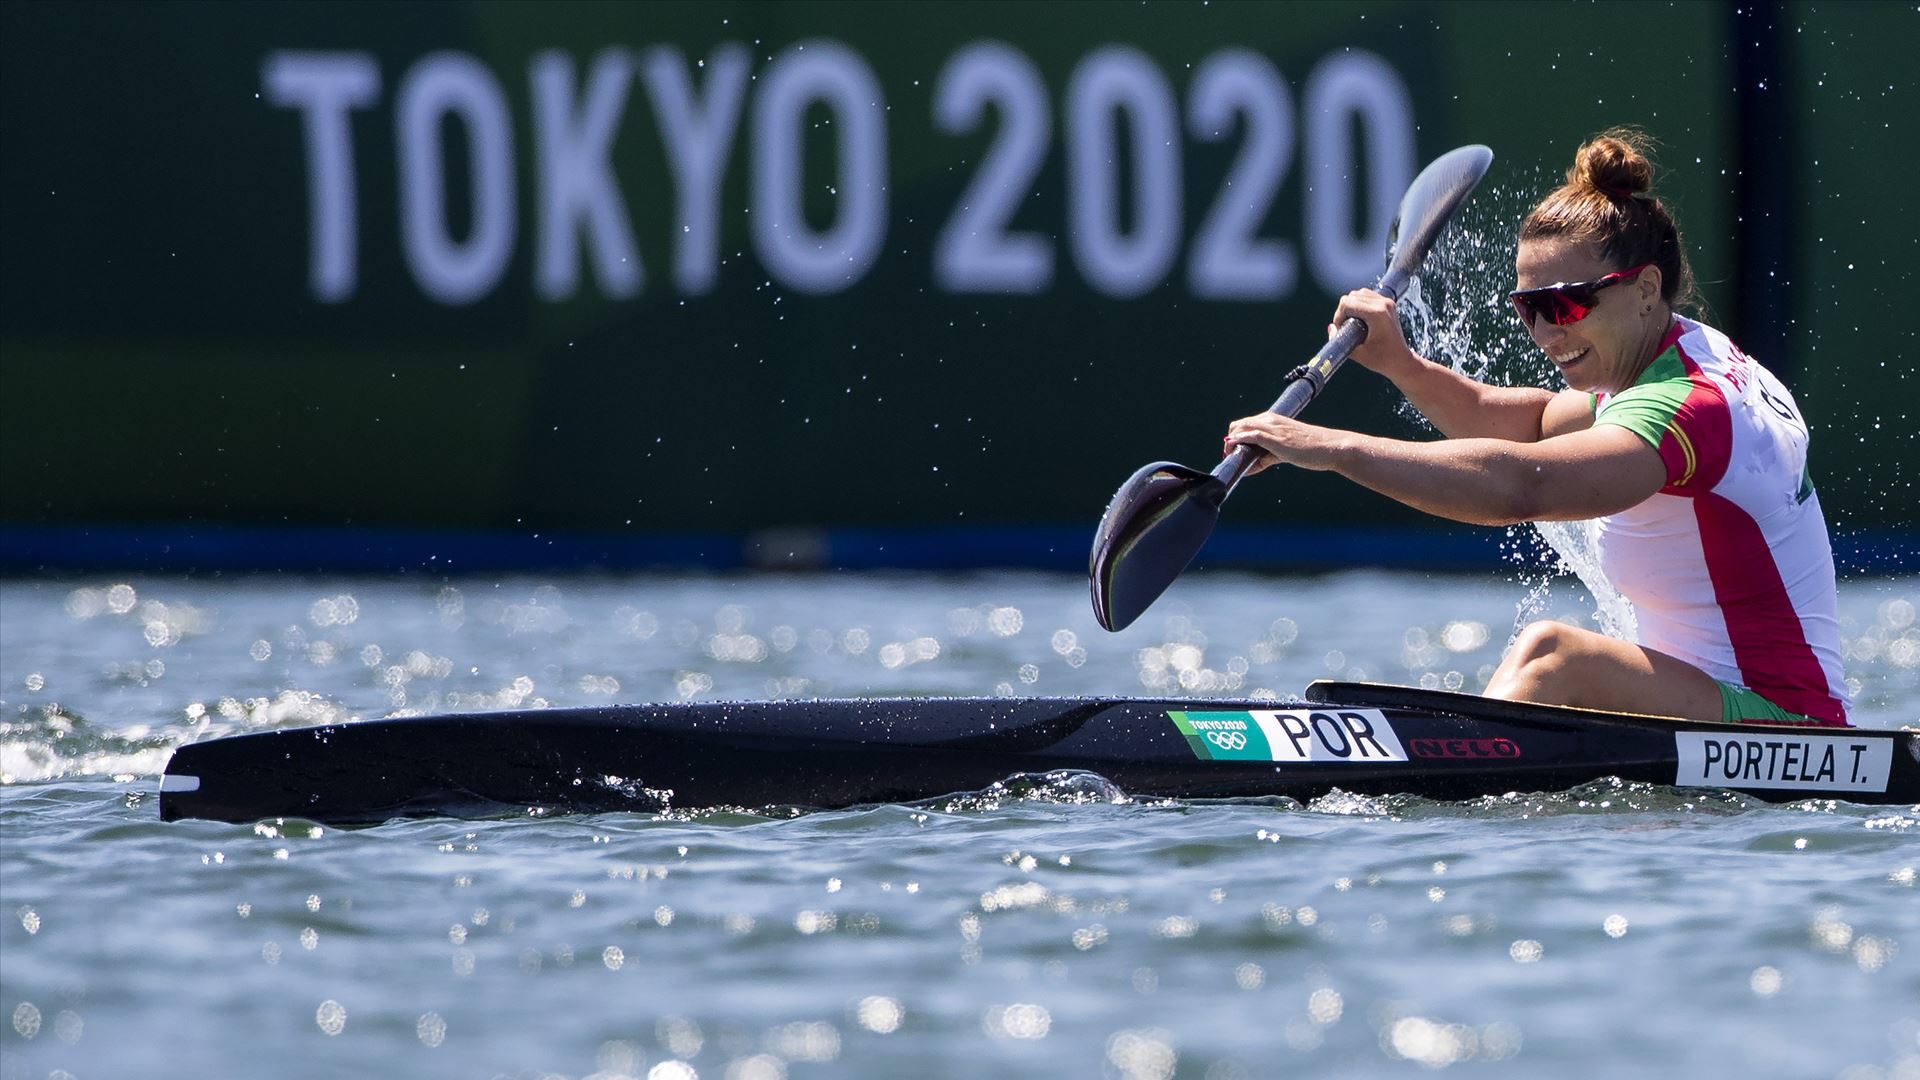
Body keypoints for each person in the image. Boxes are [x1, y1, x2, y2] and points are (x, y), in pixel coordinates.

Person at [1224, 129, 1850, 727]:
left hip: (1785, 725)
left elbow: (1525, 487)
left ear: (1645, 289)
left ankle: (1448, 773)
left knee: (1554, 655)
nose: (1547, 332)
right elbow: (1531, 424)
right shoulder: (1674, 354)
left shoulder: (1689, 407)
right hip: (1711, 705)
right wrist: (1401, 365)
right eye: (1529, 308)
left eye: (1567, 302)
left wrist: (1331, 449)